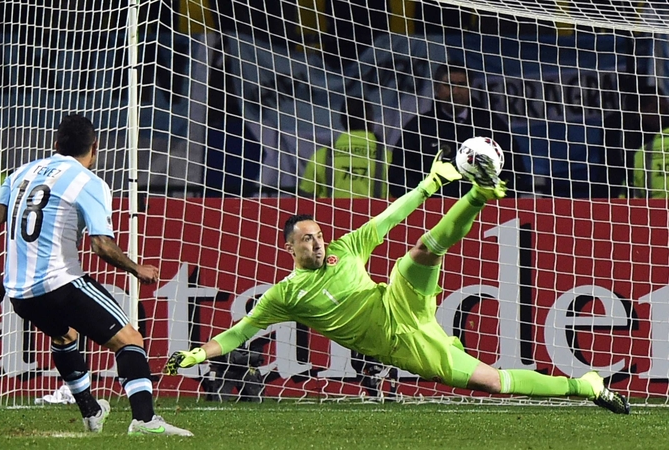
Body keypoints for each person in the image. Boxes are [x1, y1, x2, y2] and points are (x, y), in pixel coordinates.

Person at [164, 151, 630, 414]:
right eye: (307, 240)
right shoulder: (285, 295)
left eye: (319, 236)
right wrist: (197, 353)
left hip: (399, 302)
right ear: (290, 248)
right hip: (401, 344)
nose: (317, 243)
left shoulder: (347, 248)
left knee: (422, 252)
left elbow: (388, 216)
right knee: (496, 383)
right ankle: (584, 386)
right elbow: (241, 332)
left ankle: (479, 193)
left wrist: (429, 186)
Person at [0, 114, 193, 436]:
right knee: (129, 340)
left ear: (55, 145)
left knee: (64, 336)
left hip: (19, 292)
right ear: (96, 147)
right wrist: (137, 269)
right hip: (60, 283)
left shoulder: (21, 173)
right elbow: (102, 246)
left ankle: (92, 412)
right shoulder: (88, 182)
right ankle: (145, 421)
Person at [389, 63, 528, 198]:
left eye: (461, 85)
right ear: (437, 88)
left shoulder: (491, 126)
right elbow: (399, 174)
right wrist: (423, 201)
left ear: (470, 88)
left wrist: (495, 201)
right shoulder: (419, 127)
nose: (455, 91)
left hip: (484, 212)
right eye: (448, 85)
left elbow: (514, 171)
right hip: (432, 214)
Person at [299, 97, 389, 198]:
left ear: (342, 121)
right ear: (371, 119)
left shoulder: (320, 157)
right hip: (378, 213)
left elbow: (305, 199)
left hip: (331, 213)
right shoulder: (389, 159)